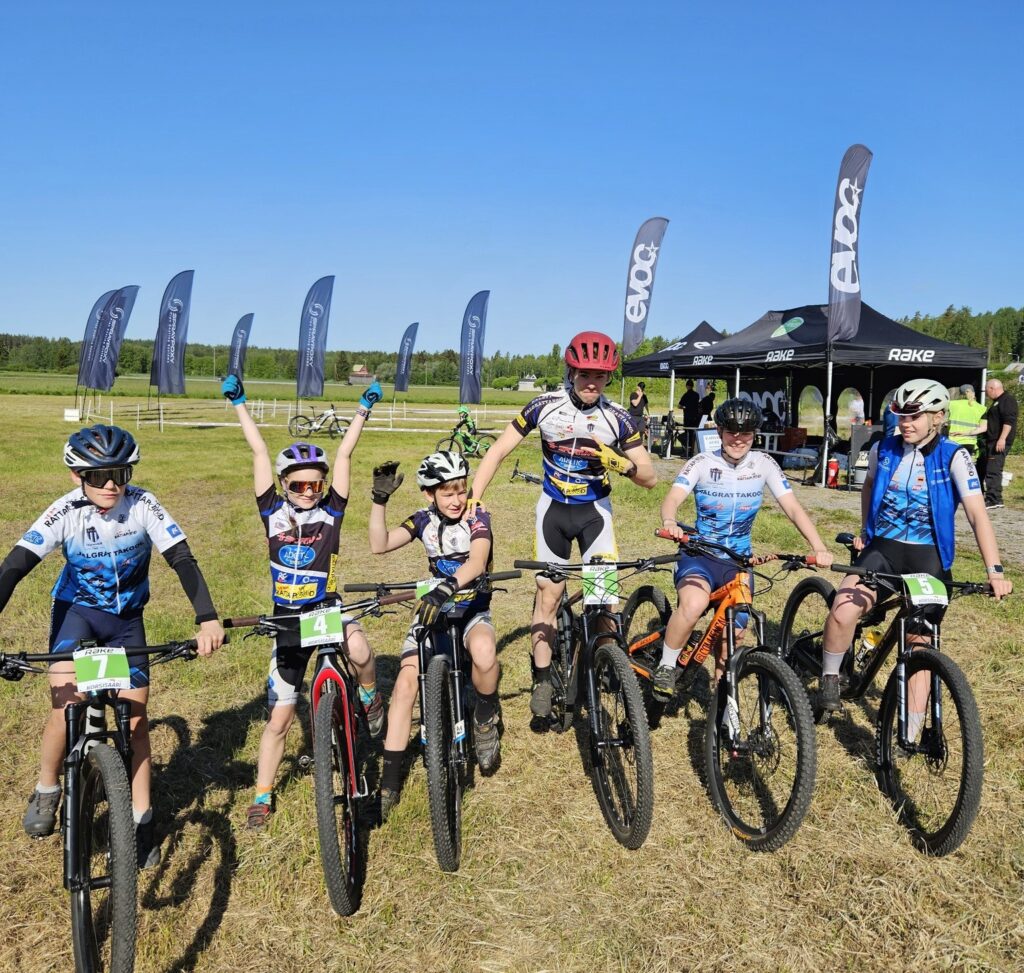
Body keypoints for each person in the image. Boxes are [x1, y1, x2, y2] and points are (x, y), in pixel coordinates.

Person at [0, 425, 225, 867]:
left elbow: (181, 557)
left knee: (136, 723)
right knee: (65, 709)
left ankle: (142, 821)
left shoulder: (142, 504)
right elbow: (14, 566)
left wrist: (207, 617)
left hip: (126, 623)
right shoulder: (65, 511)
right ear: (77, 476)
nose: (110, 485)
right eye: (98, 476)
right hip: (78, 615)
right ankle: (47, 788)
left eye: (119, 474)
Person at [221, 374, 384, 829]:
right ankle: (263, 793)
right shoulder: (273, 513)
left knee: (361, 651)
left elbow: (345, 454)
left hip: (324, 609)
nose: (309, 492)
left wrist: (363, 410)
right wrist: (240, 403)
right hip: (287, 620)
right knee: (279, 719)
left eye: (316, 485)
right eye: (299, 486)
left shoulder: (332, 513)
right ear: (284, 484)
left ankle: (369, 697)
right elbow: (258, 452)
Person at [469, 330, 657, 718]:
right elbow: (499, 450)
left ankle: (604, 659)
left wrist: (618, 462)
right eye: (585, 374)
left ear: (608, 378)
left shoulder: (618, 417)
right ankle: (542, 677)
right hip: (553, 511)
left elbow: (650, 477)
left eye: (600, 376)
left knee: (603, 599)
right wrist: (474, 496)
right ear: (571, 372)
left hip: (594, 514)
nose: (592, 383)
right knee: (549, 595)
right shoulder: (544, 405)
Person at [818, 379, 1011, 716]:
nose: (905, 423)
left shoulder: (954, 456)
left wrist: (994, 571)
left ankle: (911, 731)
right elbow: (868, 486)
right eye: (901, 415)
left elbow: (978, 515)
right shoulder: (883, 448)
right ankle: (830, 676)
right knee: (843, 610)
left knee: (919, 644)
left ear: (938, 417)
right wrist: (866, 528)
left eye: (914, 416)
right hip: (884, 550)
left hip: (928, 558)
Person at [655, 400, 833, 697]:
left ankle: (724, 701)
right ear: (720, 432)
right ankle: (666, 665)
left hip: (739, 561)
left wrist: (818, 546)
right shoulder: (702, 462)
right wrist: (670, 521)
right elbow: (672, 499)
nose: (738, 440)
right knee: (694, 604)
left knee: (734, 636)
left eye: (746, 434)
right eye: (732, 433)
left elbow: (792, 508)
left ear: (755, 434)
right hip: (700, 555)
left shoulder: (763, 464)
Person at [368, 451, 501, 819]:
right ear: (429, 494)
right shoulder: (423, 520)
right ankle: (389, 781)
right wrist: (379, 501)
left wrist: (448, 585)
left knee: (485, 653)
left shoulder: (477, 515)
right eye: (447, 493)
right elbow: (379, 544)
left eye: (461, 490)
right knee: (404, 685)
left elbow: (477, 561)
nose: (457, 499)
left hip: (471, 609)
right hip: (433, 611)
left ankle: (484, 718)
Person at [974, 378, 1018, 509]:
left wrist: (1002, 438)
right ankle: (995, 498)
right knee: (988, 468)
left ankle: (993, 499)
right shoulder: (996, 402)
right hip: (991, 441)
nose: (987, 394)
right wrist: (966, 433)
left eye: (987, 391)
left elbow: (1009, 421)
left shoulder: (1007, 400)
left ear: (992, 388)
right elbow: (986, 425)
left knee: (993, 470)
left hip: (999, 441)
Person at [946, 384, 986, 460]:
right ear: (973, 393)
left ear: (960, 394)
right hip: (970, 444)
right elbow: (983, 428)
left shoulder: (952, 404)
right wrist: (966, 433)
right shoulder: (981, 408)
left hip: (953, 442)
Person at [678, 379, 701, 454]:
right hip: (695, 418)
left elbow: (679, 406)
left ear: (687, 386)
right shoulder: (697, 395)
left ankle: (688, 450)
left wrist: (685, 407)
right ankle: (693, 449)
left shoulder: (685, 395)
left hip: (687, 418)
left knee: (687, 434)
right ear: (693, 386)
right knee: (693, 434)